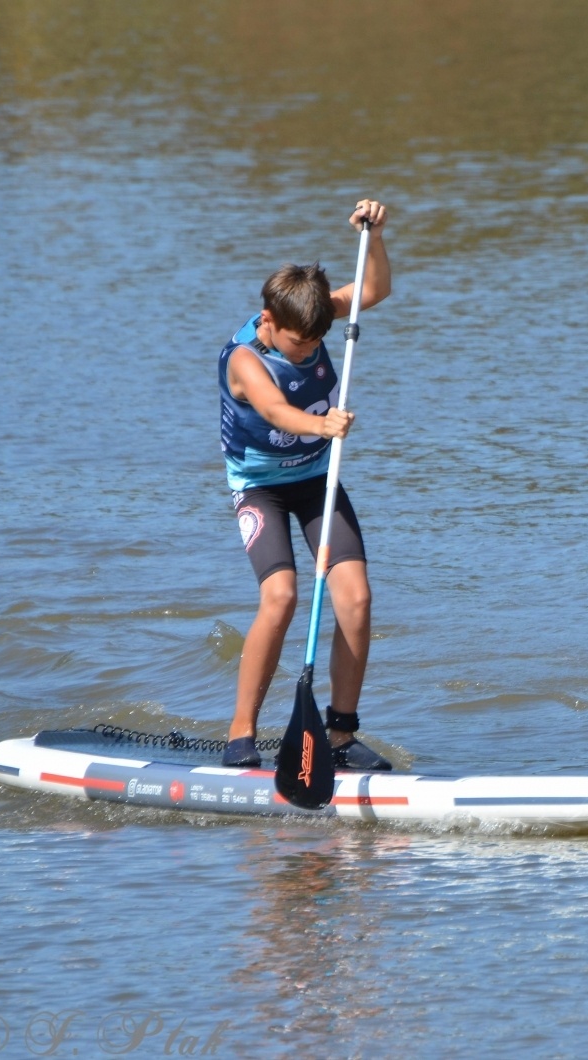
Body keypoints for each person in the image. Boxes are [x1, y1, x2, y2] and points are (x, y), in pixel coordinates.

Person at [217, 200, 392, 769]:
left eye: (317, 340)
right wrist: (322, 424)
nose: (309, 349)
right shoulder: (246, 358)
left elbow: (374, 289)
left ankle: (340, 737)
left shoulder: (311, 317)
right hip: (260, 487)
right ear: (267, 319)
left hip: (317, 477)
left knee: (357, 599)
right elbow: (272, 410)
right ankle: (241, 733)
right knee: (282, 596)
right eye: (299, 343)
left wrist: (378, 235)